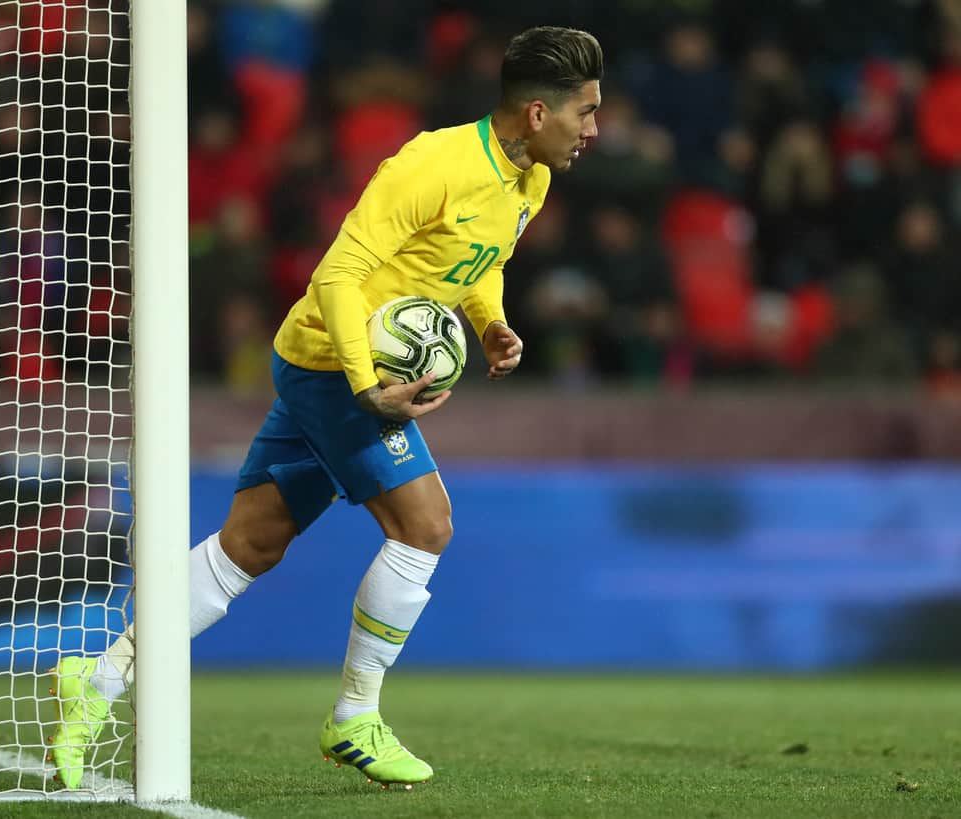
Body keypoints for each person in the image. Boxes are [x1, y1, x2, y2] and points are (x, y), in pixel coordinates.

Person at [47, 25, 603, 790]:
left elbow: (478, 263)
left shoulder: (528, 180)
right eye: (586, 112)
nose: (595, 130)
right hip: (332, 363)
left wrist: (491, 321)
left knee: (252, 541)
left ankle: (99, 676)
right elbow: (339, 274)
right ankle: (355, 715)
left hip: (334, 369)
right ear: (539, 114)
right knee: (426, 523)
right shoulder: (430, 164)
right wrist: (365, 384)